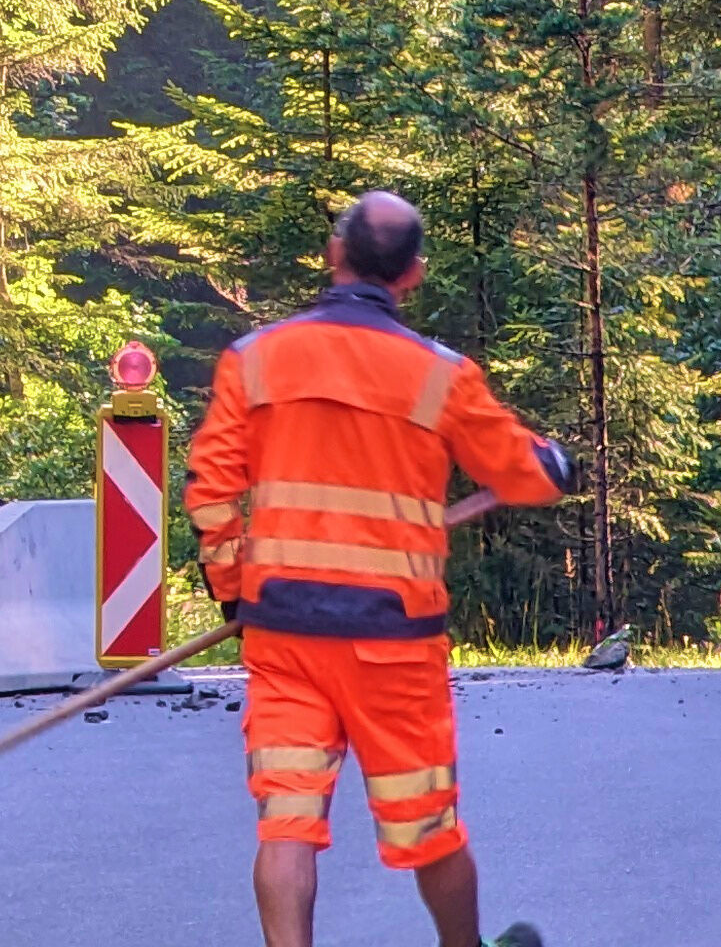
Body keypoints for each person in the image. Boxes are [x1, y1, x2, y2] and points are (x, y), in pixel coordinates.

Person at [185, 192, 564, 947]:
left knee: (287, 821)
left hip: (284, 631)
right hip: (392, 641)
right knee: (429, 824)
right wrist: (553, 463)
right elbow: (523, 475)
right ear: (413, 273)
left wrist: (234, 594)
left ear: (335, 254)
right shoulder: (439, 375)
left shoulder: (254, 359)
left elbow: (211, 492)